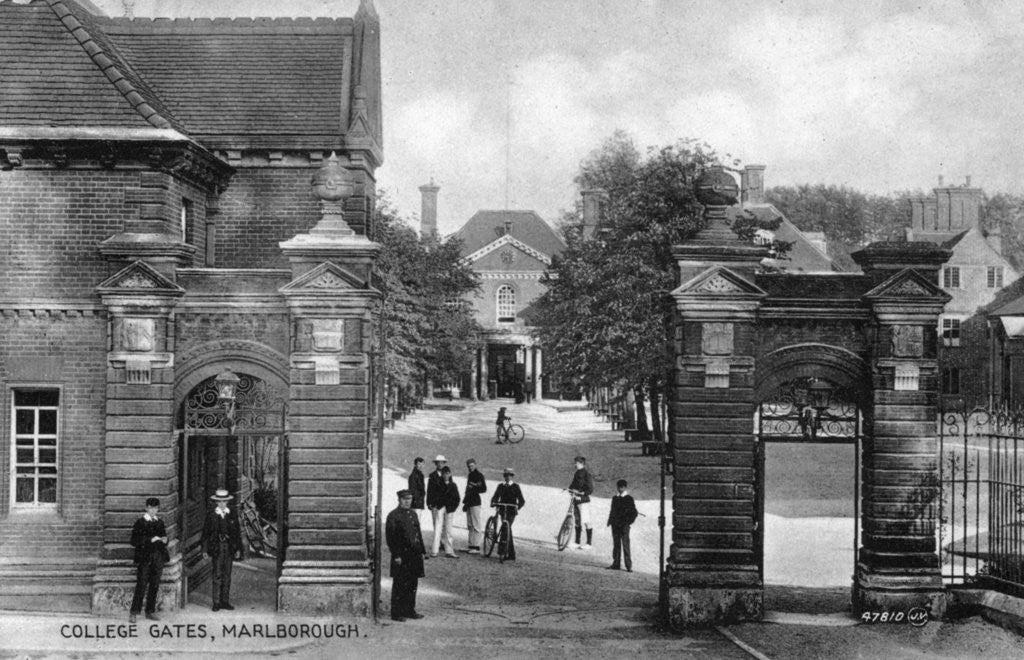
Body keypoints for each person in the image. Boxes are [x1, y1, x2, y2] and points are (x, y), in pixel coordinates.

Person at [385, 489, 426, 622]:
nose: (407, 501)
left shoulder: (413, 514)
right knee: (400, 584)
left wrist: (423, 551)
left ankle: (409, 610)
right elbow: (390, 538)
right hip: (401, 556)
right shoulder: (393, 516)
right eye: (405, 499)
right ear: (399, 500)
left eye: (409, 499)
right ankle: (396, 613)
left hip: (414, 555)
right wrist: (396, 555)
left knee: (412, 584)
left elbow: (418, 533)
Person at [202, 488, 244, 611]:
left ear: (227, 502)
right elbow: (206, 533)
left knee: (227, 574)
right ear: (216, 502)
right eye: (219, 502)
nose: (222, 504)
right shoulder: (211, 515)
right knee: (217, 574)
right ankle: (216, 602)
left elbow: (236, 532)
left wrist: (238, 548)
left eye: (224, 501)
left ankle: (225, 601)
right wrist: (204, 549)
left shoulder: (231, 514)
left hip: (229, 546)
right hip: (217, 547)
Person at [129, 497, 169, 623]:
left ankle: (150, 611)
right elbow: (134, 541)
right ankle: (134, 612)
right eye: (151, 508)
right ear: (146, 508)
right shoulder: (140, 523)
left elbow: (164, 537)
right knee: (141, 583)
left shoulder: (160, 522)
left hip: (158, 556)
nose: (153, 511)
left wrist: (164, 540)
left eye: (156, 508)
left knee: (155, 584)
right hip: (145, 557)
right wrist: (149, 540)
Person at [489, 467, 525, 560]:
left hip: (511, 511)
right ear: (504, 476)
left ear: (512, 476)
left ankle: (503, 551)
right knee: (507, 529)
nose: (508, 477)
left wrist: (518, 506)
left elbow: (522, 500)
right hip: (502, 510)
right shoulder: (500, 486)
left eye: (510, 475)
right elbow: (495, 497)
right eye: (506, 475)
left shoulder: (516, 487)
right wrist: (493, 502)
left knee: (506, 528)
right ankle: (510, 554)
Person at [606, 479, 639, 571]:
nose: (620, 489)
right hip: (615, 525)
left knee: (625, 545)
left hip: (624, 526)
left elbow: (634, 513)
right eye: (619, 487)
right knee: (616, 545)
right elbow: (612, 511)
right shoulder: (615, 498)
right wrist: (610, 521)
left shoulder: (629, 499)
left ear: (625, 487)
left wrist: (628, 522)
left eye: (622, 487)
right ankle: (616, 563)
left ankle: (628, 566)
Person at [569, 456, 594, 550]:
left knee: (586, 521)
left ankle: (589, 543)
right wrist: (570, 490)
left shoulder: (587, 474)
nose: (575, 465)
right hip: (575, 499)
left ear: (581, 464)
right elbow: (573, 484)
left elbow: (590, 489)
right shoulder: (577, 473)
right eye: (575, 463)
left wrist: (583, 494)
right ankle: (577, 542)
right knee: (577, 521)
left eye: (576, 463)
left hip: (583, 501)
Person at [462, 459, 487, 554]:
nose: (470, 467)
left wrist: (475, 487)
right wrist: (465, 502)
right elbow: (468, 489)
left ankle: (476, 546)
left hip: (475, 502)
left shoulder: (479, 475)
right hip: (469, 501)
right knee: (470, 524)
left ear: (475, 465)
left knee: (476, 524)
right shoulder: (470, 475)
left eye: (472, 466)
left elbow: (483, 489)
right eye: (469, 466)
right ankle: (471, 545)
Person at [426, 454, 448, 556]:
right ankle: (437, 543)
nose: (439, 464)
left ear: (444, 463)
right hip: (435, 503)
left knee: (444, 524)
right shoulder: (432, 475)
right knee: (436, 523)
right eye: (438, 463)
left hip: (444, 503)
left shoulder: (447, 473)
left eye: (441, 463)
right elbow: (429, 490)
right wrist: (428, 502)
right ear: (435, 464)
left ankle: (443, 542)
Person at [436, 466, 461, 558]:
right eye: (444, 474)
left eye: (447, 473)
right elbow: (435, 496)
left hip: (449, 509)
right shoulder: (439, 484)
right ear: (442, 475)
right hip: (441, 507)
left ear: (450, 474)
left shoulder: (453, 485)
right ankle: (435, 551)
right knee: (438, 529)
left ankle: (449, 551)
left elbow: (457, 498)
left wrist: (452, 508)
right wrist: (438, 505)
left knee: (449, 530)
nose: (446, 475)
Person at [408, 456, 426, 527]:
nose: (421, 466)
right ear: (415, 464)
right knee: (416, 522)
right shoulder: (414, 476)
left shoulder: (420, 475)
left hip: (418, 502)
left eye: (422, 464)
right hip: (416, 503)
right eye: (419, 464)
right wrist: (418, 498)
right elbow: (412, 490)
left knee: (416, 521)